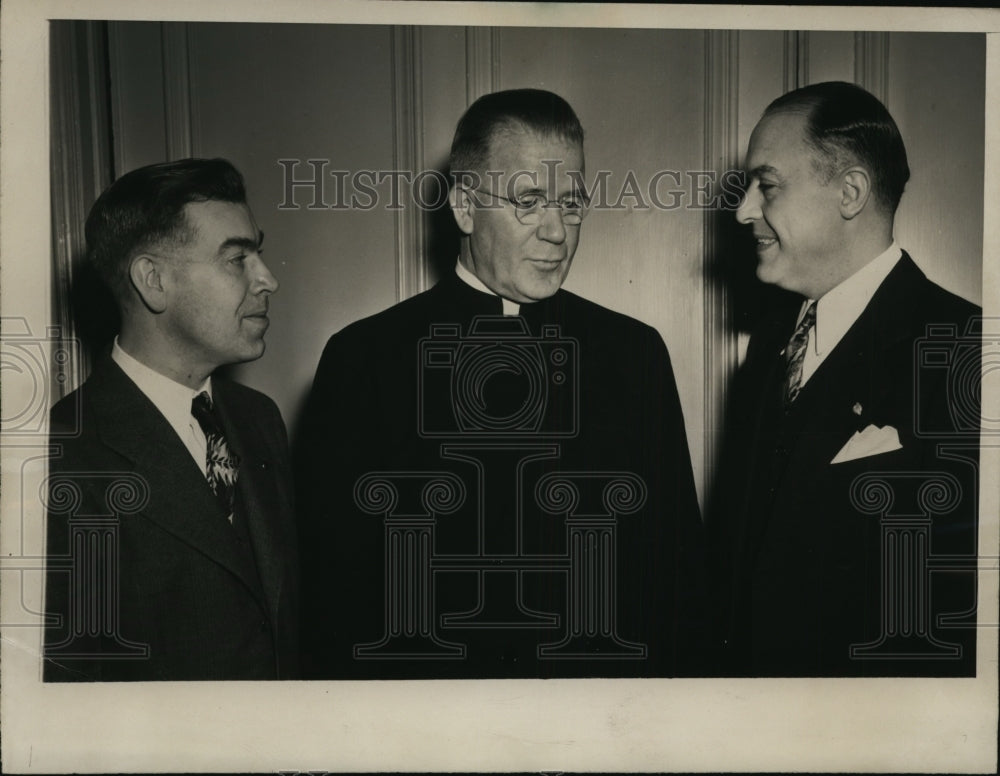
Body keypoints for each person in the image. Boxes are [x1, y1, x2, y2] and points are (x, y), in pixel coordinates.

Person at [296, 88, 705, 679]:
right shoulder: (363, 360)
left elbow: (676, 577)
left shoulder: (634, 355)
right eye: (529, 201)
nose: (557, 231)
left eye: (571, 203)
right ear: (464, 207)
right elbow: (332, 593)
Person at [710, 81, 980, 676]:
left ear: (851, 192)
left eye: (768, 186)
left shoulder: (968, 352)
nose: (743, 210)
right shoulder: (768, 349)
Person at [44, 158, 299, 681]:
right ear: (152, 280)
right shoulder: (59, 454)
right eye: (237, 259)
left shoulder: (259, 420)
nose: (268, 279)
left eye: (259, 253)